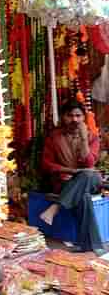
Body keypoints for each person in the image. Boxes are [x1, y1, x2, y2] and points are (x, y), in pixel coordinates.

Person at [39, 100, 103, 253]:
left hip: (89, 179)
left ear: (83, 118)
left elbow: (89, 163)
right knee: (83, 197)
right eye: (70, 115)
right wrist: (68, 171)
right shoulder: (54, 137)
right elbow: (46, 164)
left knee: (88, 174)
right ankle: (90, 246)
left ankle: (55, 208)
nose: (74, 119)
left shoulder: (92, 136)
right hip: (65, 181)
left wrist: (83, 139)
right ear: (63, 117)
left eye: (78, 116)